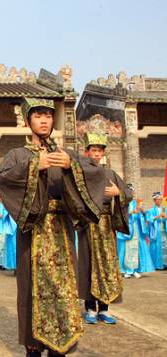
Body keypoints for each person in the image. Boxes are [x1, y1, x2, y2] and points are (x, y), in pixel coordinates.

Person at [0, 98, 105, 356]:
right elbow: (3, 180)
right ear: (27, 122)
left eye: (47, 115)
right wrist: (35, 165)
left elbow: (96, 173)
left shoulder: (66, 154)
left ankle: (61, 344)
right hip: (33, 230)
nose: (44, 120)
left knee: (63, 287)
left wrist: (71, 166)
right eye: (37, 116)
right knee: (31, 287)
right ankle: (33, 346)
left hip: (62, 231)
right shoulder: (17, 155)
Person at [77, 133, 132, 325]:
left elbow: (128, 193)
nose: (97, 154)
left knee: (107, 265)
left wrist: (119, 194)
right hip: (88, 225)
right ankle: (90, 308)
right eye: (93, 150)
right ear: (87, 152)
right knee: (89, 264)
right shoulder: (80, 173)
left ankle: (105, 308)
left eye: (100, 150)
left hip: (107, 227)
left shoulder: (110, 174)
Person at [118, 198, 155, 278]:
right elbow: (121, 214)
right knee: (127, 250)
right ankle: (127, 270)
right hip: (128, 231)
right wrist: (131, 212)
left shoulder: (138, 202)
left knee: (136, 250)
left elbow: (146, 218)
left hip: (136, 231)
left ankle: (134, 270)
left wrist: (143, 212)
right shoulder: (123, 204)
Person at [146, 192, 167, 270]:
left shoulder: (164, 209)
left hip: (163, 230)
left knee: (164, 247)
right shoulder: (150, 210)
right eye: (158, 199)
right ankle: (156, 265)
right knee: (155, 248)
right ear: (154, 200)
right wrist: (158, 216)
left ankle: (164, 264)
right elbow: (149, 219)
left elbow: (165, 219)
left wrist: (165, 218)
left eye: (161, 199)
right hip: (155, 231)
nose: (160, 201)